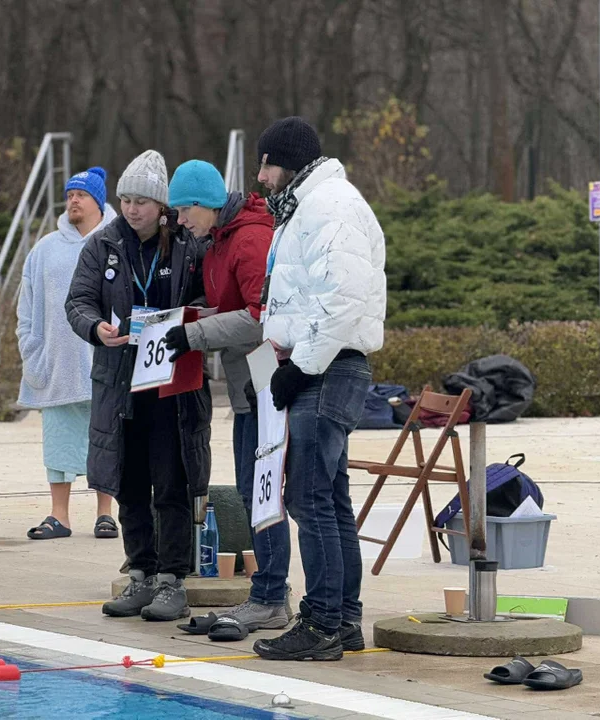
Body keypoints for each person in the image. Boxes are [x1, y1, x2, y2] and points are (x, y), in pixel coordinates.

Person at [249, 117, 386, 661]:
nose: (260, 176)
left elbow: (342, 298)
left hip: (327, 370)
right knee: (328, 499)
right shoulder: (307, 207)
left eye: (266, 163)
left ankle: (323, 621)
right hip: (320, 365)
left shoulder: (331, 207)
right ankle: (344, 620)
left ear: (290, 161)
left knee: (310, 500)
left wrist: (299, 367)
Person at [66, 150, 211, 622]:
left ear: (162, 205)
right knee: (127, 481)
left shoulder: (189, 245)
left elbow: (211, 298)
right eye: (126, 199)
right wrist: (95, 328)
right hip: (120, 382)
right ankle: (141, 574)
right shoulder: (102, 244)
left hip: (172, 383)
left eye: (142, 202)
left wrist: (190, 322)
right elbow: (78, 301)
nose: (132, 209)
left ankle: (173, 580)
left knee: (171, 480)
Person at [164, 160, 293, 635]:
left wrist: (194, 333)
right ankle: (266, 594)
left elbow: (263, 318)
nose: (180, 221)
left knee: (263, 495)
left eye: (183, 210)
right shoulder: (219, 240)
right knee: (249, 491)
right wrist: (178, 320)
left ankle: (272, 596)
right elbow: (230, 308)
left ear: (206, 203)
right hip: (246, 387)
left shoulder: (249, 238)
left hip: (268, 381)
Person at [17, 167, 118, 540]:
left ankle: (105, 513)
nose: (73, 200)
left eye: (82, 194)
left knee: (105, 437)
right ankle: (59, 515)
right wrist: (31, 347)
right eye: (69, 194)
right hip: (56, 362)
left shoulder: (117, 241)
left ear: (99, 200)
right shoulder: (45, 249)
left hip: (105, 359)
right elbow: (26, 305)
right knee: (59, 439)